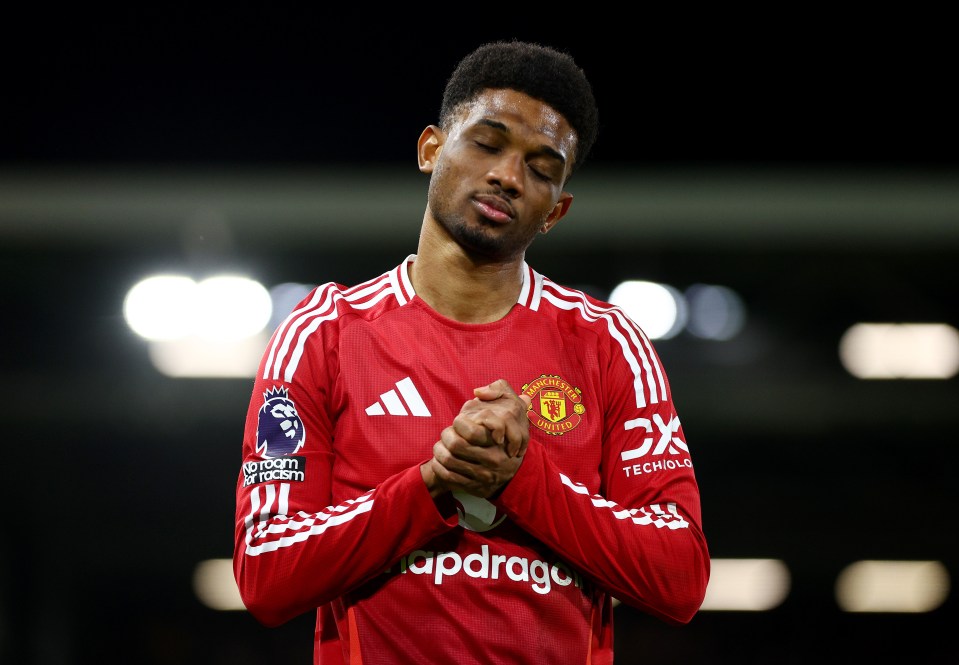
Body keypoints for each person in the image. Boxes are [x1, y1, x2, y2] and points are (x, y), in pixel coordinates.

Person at [233, 39, 710, 664]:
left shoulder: (607, 343)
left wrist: (523, 479)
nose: (508, 177)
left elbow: (680, 579)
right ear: (432, 148)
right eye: (487, 143)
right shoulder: (324, 333)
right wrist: (433, 487)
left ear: (555, 213)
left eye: (541, 169)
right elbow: (268, 573)